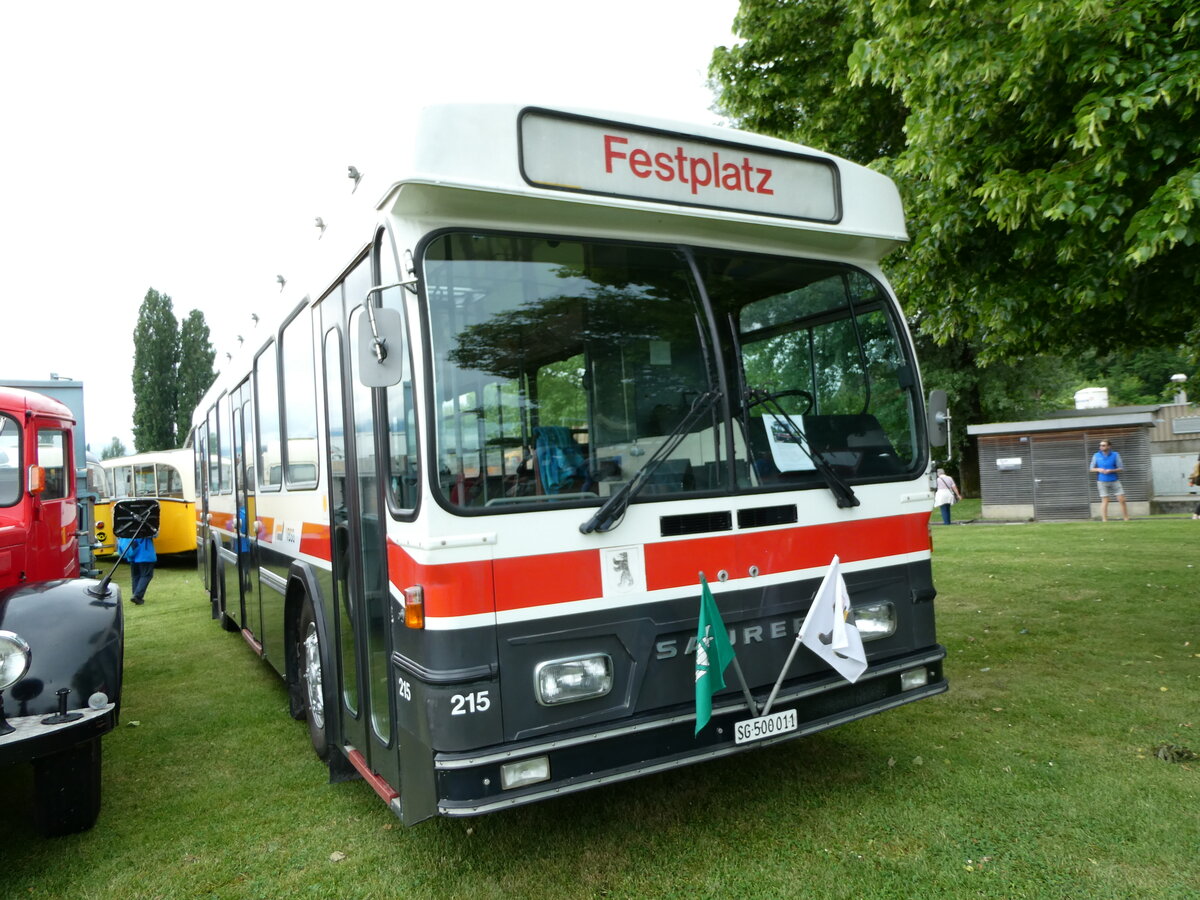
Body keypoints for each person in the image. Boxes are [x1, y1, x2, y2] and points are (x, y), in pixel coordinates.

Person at [1089, 439, 1130, 522]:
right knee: (1105, 501)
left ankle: (1126, 518)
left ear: (1109, 446)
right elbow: (1091, 469)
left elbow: (1121, 468)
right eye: (1100, 445)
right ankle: (1104, 520)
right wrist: (1098, 469)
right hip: (1101, 481)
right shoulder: (1096, 455)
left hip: (1114, 480)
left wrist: (1111, 471)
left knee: (1122, 499)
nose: (1101, 447)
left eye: (1103, 445)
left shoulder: (1115, 455)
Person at [118, 535, 157, 605]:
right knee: (146, 575)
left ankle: (135, 594)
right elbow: (155, 534)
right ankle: (137, 596)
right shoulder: (145, 526)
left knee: (135, 576)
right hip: (145, 553)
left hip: (132, 552)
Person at [1189, 452, 1200, 520]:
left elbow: (1194, 474)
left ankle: (1196, 514)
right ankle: (1195, 514)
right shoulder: (1198, 466)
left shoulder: (1197, 465)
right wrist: (1192, 481)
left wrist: (1192, 482)